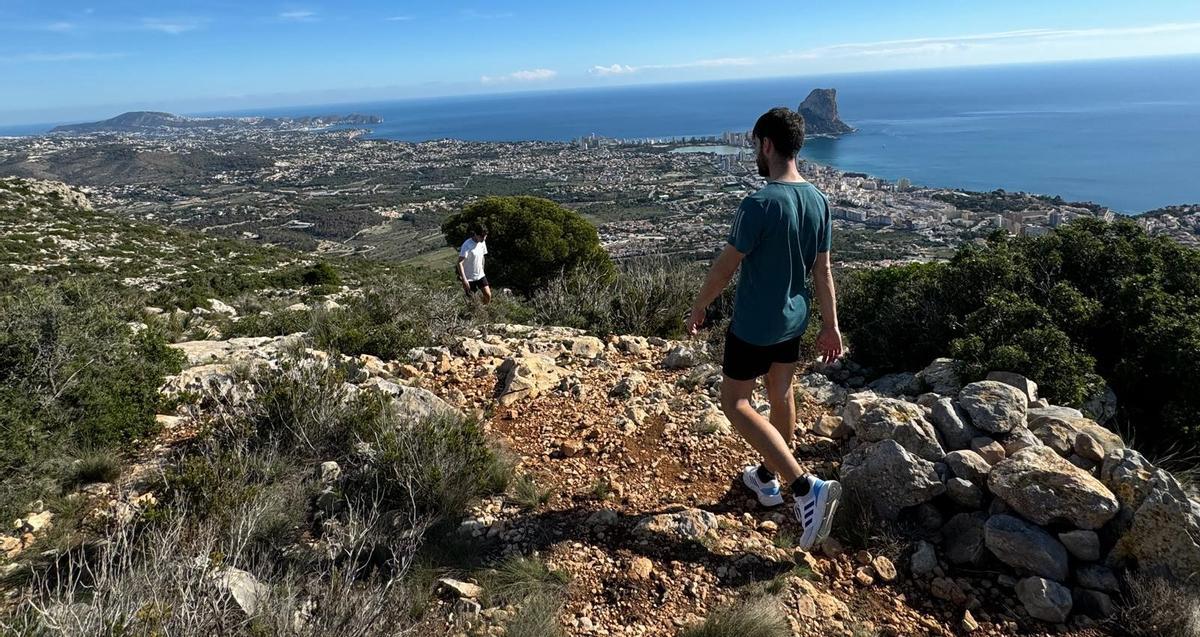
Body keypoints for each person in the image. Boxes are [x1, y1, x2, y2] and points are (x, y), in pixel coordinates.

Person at [687, 107, 845, 551]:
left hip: (755, 324)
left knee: (735, 402)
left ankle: (803, 488)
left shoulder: (758, 203)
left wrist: (700, 306)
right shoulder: (819, 200)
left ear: (767, 145)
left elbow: (724, 269)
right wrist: (830, 326)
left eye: (757, 144)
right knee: (781, 395)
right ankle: (766, 478)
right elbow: (824, 272)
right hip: (794, 321)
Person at [457, 224, 491, 304]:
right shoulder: (466, 245)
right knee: (473, 302)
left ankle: (484, 310)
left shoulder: (482, 242)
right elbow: (459, 263)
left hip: (480, 275)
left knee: (488, 295)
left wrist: (482, 269)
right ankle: (476, 314)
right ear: (476, 234)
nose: (483, 239)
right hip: (469, 278)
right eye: (482, 237)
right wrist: (464, 280)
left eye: (485, 237)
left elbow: (483, 257)